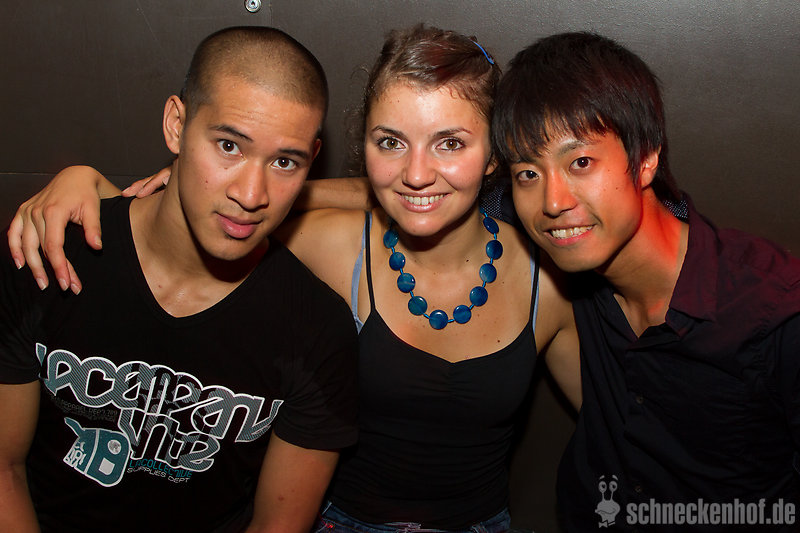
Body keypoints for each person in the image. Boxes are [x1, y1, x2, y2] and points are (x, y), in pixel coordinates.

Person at [6, 25, 581, 531]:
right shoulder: (322, 242)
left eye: (450, 142)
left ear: (493, 155)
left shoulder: (546, 279)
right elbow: (177, 229)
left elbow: (617, 417)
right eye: (390, 142)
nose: (416, 172)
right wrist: (91, 185)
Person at [0, 26, 359, 533]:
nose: (251, 194)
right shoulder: (50, 252)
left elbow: (277, 524)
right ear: (176, 125)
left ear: (311, 162)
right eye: (229, 145)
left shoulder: (317, 328)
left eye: (284, 161)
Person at [492, 32, 800, 530]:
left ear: (646, 159)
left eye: (581, 162)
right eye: (528, 173)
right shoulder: (561, 248)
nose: (552, 201)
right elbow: (442, 191)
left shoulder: (775, 313)